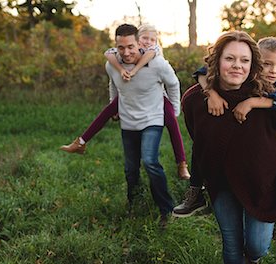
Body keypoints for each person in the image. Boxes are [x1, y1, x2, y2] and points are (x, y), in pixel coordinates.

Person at [181, 31, 276, 264]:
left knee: (256, 243)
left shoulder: (267, 94)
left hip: (263, 178)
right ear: (217, 61)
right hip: (222, 178)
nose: (237, 65)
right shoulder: (196, 97)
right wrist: (209, 93)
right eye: (230, 59)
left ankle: (254, 259)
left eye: (244, 60)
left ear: (253, 64)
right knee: (231, 239)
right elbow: (198, 134)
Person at [59, 24, 190, 180]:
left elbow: (172, 83)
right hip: (129, 95)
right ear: (137, 39)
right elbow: (109, 57)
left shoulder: (154, 53)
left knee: (172, 122)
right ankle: (80, 141)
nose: (148, 42)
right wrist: (115, 98)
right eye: (145, 38)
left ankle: (181, 164)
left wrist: (175, 108)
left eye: (152, 39)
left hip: (157, 96)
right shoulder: (124, 53)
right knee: (107, 111)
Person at [104, 23, 180, 228]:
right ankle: (134, 203)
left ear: (139, 43)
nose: (126, 52)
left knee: (149, 161)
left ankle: (167, 210)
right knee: (130, 168)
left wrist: (174, 111)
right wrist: (115, 107)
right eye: (121, 48)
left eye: (131, 46)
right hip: (128, 121)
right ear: (116, 46)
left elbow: (173, 84)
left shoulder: (157, 64)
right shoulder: (112, 65)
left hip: (152, 119)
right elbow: (113, 83)